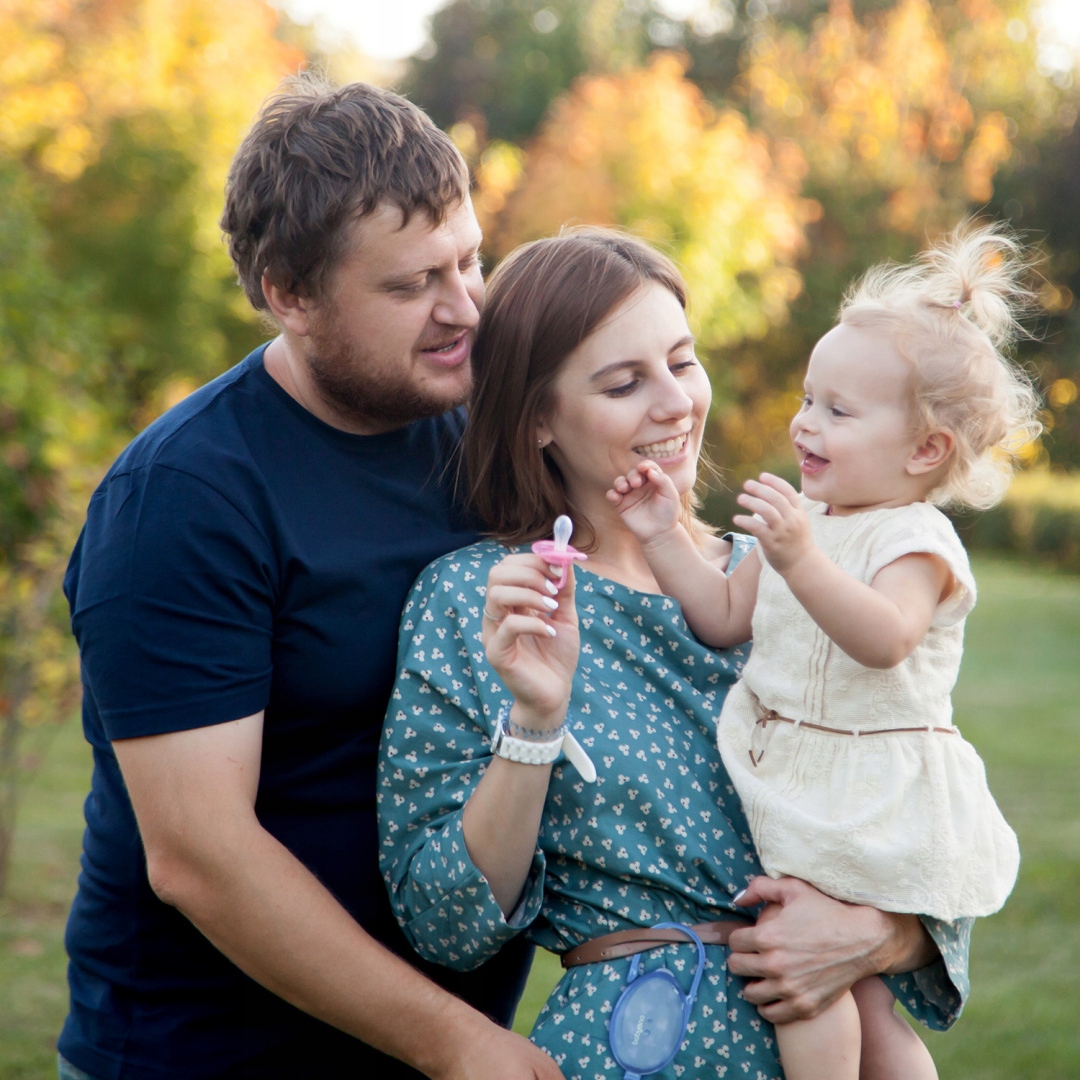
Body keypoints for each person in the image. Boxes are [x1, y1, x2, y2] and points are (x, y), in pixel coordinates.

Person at [378, 226, 974, 1080]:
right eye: (624, 383)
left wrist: (879, 935)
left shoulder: (796, 574)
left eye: (682, 361)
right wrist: (535, 722)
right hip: (640, 1049)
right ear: (539, 418)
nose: (675, 403)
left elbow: (916, 805)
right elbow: (445, 923)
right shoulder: (484, 601)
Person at [58, 75, 560, 1080]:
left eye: (470, 260)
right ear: (288, 295)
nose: (465, 308)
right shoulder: (183, 499)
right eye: (411, 284)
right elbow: (201, 855)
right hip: (211, 1057)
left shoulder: (487, 435)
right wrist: (461, 1046)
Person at [607, 221, 1035, 1080]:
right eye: (809, 399)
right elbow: (726, 614)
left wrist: (799, 557)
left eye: (838, 411)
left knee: (801, 976)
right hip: (803, 783)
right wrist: (662, 538)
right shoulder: (811, 522)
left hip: (872, 797)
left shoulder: (913, 539)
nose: (806, 424)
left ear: (925, 450)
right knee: (862, 1005)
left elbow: (886, 639)